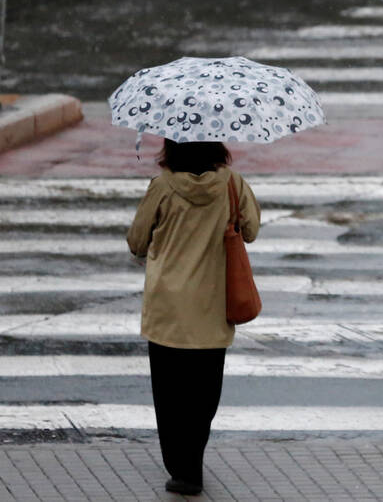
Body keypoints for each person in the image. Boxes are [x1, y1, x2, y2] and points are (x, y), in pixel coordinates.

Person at [127, 138, 261, 496]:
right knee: (203, 394)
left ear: (172, 146)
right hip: (213, 306)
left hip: (168, 308)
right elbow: (251, 229)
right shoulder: (232, 183)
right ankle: (192, 461)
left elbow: (137, 240)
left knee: (169, 395)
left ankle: (183, 469)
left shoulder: (163, 186)